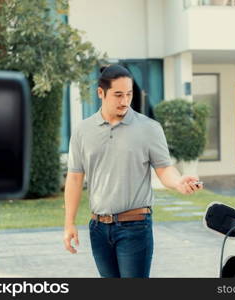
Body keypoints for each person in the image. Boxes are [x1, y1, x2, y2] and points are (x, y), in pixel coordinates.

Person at [63, 64, 203, 278]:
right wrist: (69, 223)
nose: (125, 101)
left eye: (128, 94)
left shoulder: (149, 128)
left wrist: (178, 182)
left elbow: (165, 169)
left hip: (135, 226)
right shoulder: (83, 131)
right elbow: (74, 178)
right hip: (98, 228)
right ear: (101, 93)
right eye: (118, 95)